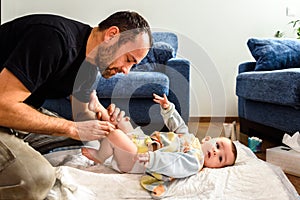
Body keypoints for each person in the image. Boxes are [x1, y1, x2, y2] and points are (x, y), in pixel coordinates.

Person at [0, 11, 152, 199]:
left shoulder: (89, 66)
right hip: (3, 110)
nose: (126, 71)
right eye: (128, 59)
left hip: (16, 111)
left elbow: (82, 114)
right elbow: (2, 106)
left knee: (86, 141)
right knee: (36, 179)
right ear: (112, 35)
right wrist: (70, 128)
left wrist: (104, 120)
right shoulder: (53, 39)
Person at [82, 92, 237, 177]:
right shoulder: (191, 140)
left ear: (217, 167)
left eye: (221, 158)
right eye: (218, 145)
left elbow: (174, 162)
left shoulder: (195, 161)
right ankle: (99, 109)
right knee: (122, 121)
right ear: (207, 139)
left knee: (115, 134)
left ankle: (100, 157)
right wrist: (168, 109)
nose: (216, 152)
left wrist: (152, 158)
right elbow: (179, 126)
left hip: (138, 160)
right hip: (143, 143)